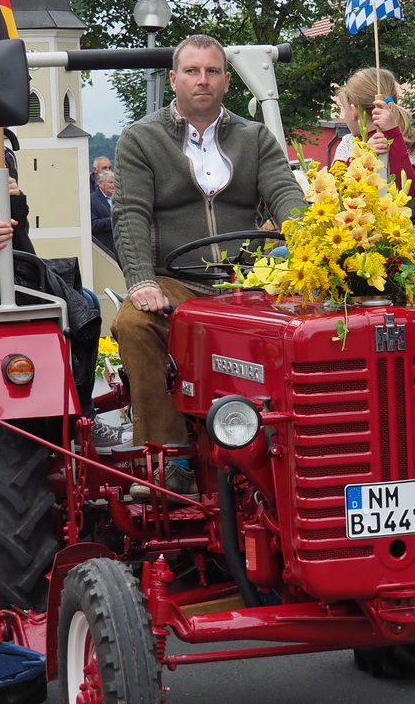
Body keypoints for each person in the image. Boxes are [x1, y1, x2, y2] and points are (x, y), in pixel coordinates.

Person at [112, 34, 306, 474]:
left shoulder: (255, 138)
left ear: (226, 82)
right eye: (192, 71)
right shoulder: (141, 140)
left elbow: (286, 197)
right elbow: (130, 215)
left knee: (312, 325)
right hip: (174, 282)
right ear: (174, 79)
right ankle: (169, 457)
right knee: (134, 321)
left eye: (213, 71)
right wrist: (141, 281)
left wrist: (316, 247)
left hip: (249, 283)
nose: (203, 80)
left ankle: (299, 447)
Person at [333, 68, 415, 194]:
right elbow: (337, 187)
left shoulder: (401, 138)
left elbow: (407, 193)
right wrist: (363, 157)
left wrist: (393, 135)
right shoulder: (404, 138)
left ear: (354, 111)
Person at [89, 167, 117, 255]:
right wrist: (112, 220)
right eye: (110, 182)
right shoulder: (92, 199)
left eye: (115, 182)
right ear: (100, 183)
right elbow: (92, 225)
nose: (113, 185)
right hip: (104, 250)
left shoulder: (120, 199)